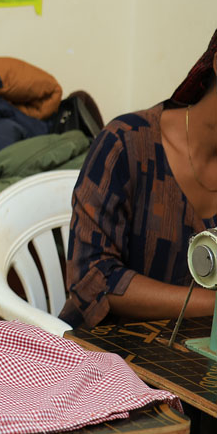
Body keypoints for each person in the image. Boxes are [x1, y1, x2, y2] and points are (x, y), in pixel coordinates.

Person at [62, 29, 217, 330]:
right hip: (104, 358)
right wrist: (212, 306)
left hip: (196, 363)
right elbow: (93, 277)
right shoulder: (125, 145)